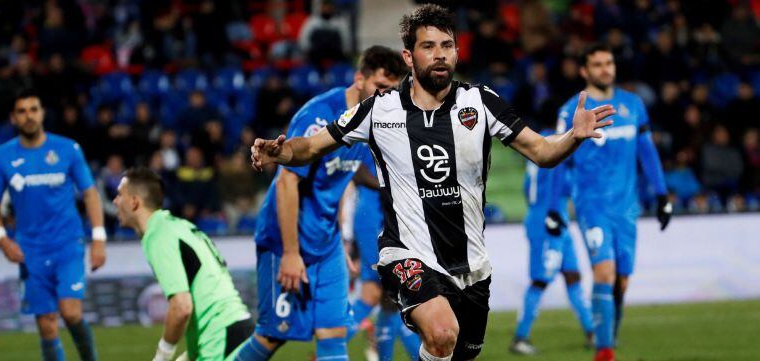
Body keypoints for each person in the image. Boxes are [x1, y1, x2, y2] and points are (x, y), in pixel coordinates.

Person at [251, 5, 616, 360]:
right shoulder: (379, 109)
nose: (440, 55)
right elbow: (312, 146)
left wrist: (573, 137)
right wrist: (281, 152)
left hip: (471, 264)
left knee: (454, 350)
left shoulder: (481, 103)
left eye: (447, 46)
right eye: (429, 46)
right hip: (406, 253)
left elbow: (541, 151)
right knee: (442, 333)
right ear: (409, 57)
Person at [238, 45, 407, 361]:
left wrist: (339, 240)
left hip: (326, 244)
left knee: (334, 338)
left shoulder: (369, 124)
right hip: (285, 240)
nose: (384, 97)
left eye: (391, 91)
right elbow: (288, 181)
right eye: (379, 88)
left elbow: (339, 184)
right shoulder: (320, 115)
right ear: (360, 78)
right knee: (271, 338)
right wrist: (290, 253)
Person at [556, 44, 672, 361]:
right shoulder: (571, 111)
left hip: (627, 209)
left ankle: (609, 336)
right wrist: (556, 206)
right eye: (597, 64)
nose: (605, 69)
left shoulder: (633, 105)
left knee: (621, 281)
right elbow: (559, 162)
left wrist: (662, 195)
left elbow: (647, 152)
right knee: (604, 273)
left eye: (609, 63)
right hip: (592, 206)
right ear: (584, 71)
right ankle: (603, 351)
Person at [0, 89, 106, 361]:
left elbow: (90, 193)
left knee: (70, 311)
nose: (28, 116)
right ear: (13, 118)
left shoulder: (68, 149)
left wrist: (99, 238)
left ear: (42, 113)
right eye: (22, 111)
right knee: (46, 325)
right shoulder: (2, 156)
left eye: (33, 109)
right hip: (30, 249)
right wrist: (3, 239)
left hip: (67, 244)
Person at [112, 167, 254, 361]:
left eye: (120, 195)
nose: (115, 201)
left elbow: (182, 307)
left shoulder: (158, 235)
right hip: (233, 330)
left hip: (220, 339)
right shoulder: (179, 226)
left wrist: (162, 355)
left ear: (135, 201)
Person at [509, 118, 594, 355]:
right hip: (549, 218)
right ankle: (520, 338)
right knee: (541, 279)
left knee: (573, 275)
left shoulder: (535, 141)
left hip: (551, 217)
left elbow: (529, 188)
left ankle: (591, 332)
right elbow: (563, 177)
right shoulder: (560, 141)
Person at [350, 152, 421, 361]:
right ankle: (329, 345)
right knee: (394, 295)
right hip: (373, 221)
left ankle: (328, 346)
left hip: (382, 218)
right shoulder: (372, 127)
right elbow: (357, 170)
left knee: (377, 296)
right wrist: (389, 188)